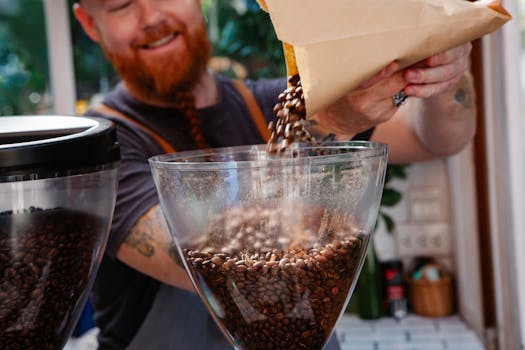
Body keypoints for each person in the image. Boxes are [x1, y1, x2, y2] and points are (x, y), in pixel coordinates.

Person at [73, 0, 476, 349]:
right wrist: (333, 126)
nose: (150, 15)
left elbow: (433, 139)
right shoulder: (101, 147)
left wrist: (438, 68)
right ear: (91, 24)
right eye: (121, 4)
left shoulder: (276, 103)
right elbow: (218, 263)